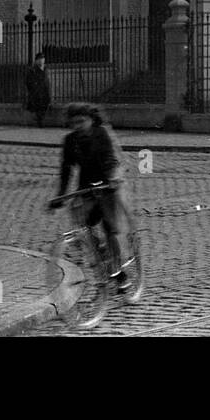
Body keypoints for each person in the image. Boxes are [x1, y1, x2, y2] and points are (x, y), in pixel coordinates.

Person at [49, 103, 131, 291]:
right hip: (86, 187)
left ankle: (120, 274)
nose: (78, 126)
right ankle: (101, 255)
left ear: (91, 120)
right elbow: (66, 169)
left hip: (108, 183)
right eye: (74, 122)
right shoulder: (69, 140)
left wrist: (112, 178)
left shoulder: (101, 133)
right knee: (84, 227)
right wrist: (60, 196)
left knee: (111, 228)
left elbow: (111, 157)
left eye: (82, 121)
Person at [25, 51, 51, 128]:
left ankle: (39, 120)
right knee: (39, 107)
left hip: (45, 91)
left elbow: (47, 81)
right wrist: (33, 89)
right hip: (37, 92)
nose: (41, 60)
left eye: (42, 59)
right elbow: (28, 81)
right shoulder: (32, 70)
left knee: (44, 106)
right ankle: (40, 122)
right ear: (36, 61)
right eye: (39, 59)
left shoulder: (46, 69)